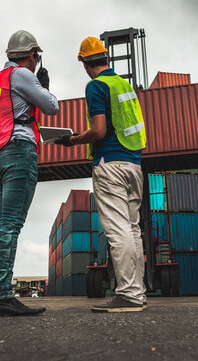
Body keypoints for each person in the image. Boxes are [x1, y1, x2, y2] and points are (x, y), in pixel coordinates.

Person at [56, 37, 147, 313]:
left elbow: (98, 130)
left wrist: (71, 140)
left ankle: (129, 295)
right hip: (134, 165)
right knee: (132, 229)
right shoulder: (124, 85)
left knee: (118, 229)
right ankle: (138, 293)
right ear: (105, 58)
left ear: (84, 62)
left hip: (110, 164)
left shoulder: (96, 86)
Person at [0, 30, 59, 317]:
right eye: (37, 57)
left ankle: (1, 294)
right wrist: (44, 87)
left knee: (6, 223)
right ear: (32, 55)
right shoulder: (24, 75)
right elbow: (53, 107)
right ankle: (1, 296)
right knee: (11, 224)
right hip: (19, 150)